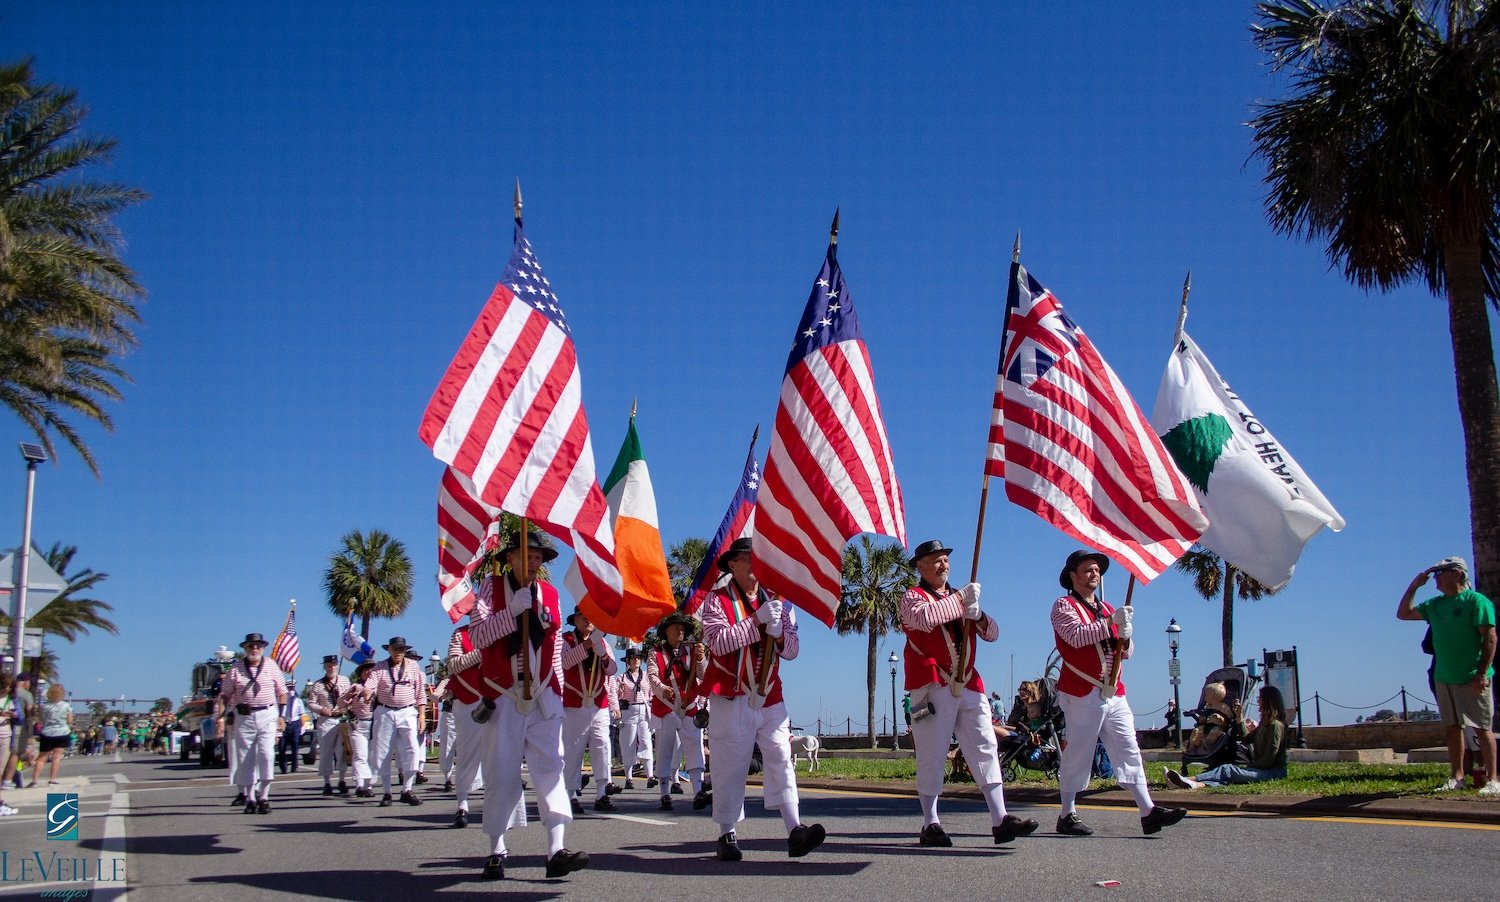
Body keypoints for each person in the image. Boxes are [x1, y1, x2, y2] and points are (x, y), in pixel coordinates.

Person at [468, 531, 588, 881]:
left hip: (542, 694)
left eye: (538, 557)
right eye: (526, 555)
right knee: (501, 772)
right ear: (510, 558)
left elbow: (552, 650)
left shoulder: (550, 593)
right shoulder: (491, 589)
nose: (533, 562)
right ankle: (496, 850)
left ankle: (556, 850)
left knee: (552, 768)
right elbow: (478, 636)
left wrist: (558, 695)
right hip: (503, 693)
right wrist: (511, 613)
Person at [900, 539, 1036, 849]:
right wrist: (962, 600)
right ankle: (930, 822)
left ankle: (1000, 818)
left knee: (985, 746)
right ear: (920, 566)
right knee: (933, 754)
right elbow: (924, 619)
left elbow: (993, 634)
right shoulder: (912, 597)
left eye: (945, 559)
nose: (943, 565)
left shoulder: (962, 599)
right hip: (932, 684)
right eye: (935, 560)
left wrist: (978, 615)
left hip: (970, 684)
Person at [700, 536, 826, 861]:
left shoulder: (780, 602)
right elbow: (718, 643)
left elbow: (794, 650)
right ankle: (727, 833)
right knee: (731, 765)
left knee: (782, 756)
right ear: (733, 564)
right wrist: (756, 622)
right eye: (748, 559)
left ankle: (795, 829)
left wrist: (780, 633)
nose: (756, 565)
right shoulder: (717, 601)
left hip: (770, 694)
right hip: (732, 694)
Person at [1052, 550, 1186, 836]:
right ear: (1073, 576)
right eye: (1088, 569)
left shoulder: (1108, 608)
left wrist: (1125, 633)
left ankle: (1148, 810)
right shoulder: (1063, 606)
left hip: (1114, 691)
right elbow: (1076, 637)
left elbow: (1126, 653)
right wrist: (1112, 623)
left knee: (1128, 748)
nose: (1094, 574)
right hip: (1082, 691)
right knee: (1079, 752)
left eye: (1097, 569)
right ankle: (1067, 813)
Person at [1396, 556, 1497, 794]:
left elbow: (1490, 638)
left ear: (1457, 574)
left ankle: (1494, 779)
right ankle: (1457, 776)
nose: (1436, 579)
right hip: (1444, 675)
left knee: (1483, 728)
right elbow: (1403, 613)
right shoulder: (1435, 604)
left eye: (1441, 573)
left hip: (1472, 675)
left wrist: (1481, 673)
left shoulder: (1476, 601)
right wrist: (1414, 586)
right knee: (1452, 728)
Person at [216, 633, 289, 814]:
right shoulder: (236, 669)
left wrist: (282, 716)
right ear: (245, 649)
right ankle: (249, 797)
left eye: (257, 646)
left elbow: (282, 692)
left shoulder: (272, 666)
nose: (254, 649)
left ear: (263, 648)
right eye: (250, 646)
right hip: (244, 715)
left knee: (266, 754)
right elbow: (224, 695)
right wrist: (220, 718)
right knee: (245, 758)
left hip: (267, 713)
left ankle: (264, 796)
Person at [1167, 686, 1290, 789]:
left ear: (1268, 701)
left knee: (1228, 770)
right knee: (1227, 775)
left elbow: (1268, 760)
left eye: (1260, 698)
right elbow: (1247, 738)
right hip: (1263, 769)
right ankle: (1196, 784)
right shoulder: (1264, 723)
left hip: (1273, 772)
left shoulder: (1275, 726)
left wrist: (1247, 768)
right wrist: (1239, 717)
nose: (1258, 701)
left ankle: (1186, 779)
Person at [561, 607, 619, 813]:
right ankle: (570, 794)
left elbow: (612, 670)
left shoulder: (602, 642)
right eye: (583, 618)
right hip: (574, 702)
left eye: (591, 618)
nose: (588, 622)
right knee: (573, 749)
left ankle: (602, 791)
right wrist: (587, 644)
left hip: (598, 702)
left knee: (602, 745)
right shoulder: (565, 639)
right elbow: (565, 662)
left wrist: (602, 655)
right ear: (575, 620)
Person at [648, 611, 708, 811]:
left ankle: (698, 791)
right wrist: (663, 690)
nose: (680, 631)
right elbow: (652, 677)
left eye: (682, 628)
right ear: (667, 631)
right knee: (665, 749)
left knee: (695, 747)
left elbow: (703, 674)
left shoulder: (692, 651)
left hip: (689, 706)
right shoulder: (655, 652)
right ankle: (664, 793)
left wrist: (700, 659)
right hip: (667, 707)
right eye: (676, 628)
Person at [358, 637, 428, 806]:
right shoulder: (380, 668)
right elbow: (369, 685)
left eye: (401, 649)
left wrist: (422, 715)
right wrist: (367, 694)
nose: (398, 653)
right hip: (385, 711)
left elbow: (420, 693)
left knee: (412, 748)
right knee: (383, 752)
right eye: (395, 649)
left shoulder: (413, 666)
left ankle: (407, 789)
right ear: (389, 650)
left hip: (407, 711)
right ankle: (387, 792)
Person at [308, 655, 351, 795]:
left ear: (337, 665)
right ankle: (327, 782)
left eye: (333, 664)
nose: (331, 667)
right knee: (326, 752)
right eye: (328, 665)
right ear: (324, 667)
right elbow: (310, 703)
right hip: (326, 720)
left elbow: (351, 696)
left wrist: (347, 706)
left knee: (342, 751)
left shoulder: (344, 680)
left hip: (342, 719)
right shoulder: (318, 684)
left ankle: (342, 780)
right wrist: (321, 709)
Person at [611, 647, 654, 789]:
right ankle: (629, 778)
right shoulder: (621, 678)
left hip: (644, 709)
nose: (636, 660)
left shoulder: (647, 676)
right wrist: (616, 710)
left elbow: (652, 694)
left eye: (638, 658)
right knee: (628, 743)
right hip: (629, 710)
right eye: (633, 658)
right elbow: (615, 696)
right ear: (628, 661)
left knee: (646, 741)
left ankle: (650, 776)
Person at [339, 661, 377, 797]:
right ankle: (360, 785)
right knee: (360, 755)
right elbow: (340, 703)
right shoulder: (355, 687)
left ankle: (369, 785)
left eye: (371, 670)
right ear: (361, 673)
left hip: (375, 725)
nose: (369, 672)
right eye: (366, 670)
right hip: (358, 725)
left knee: (373, 757)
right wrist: (349, 695)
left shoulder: (379, 688)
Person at [1, 672, 36, 792]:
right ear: (26, 682)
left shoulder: (12, 694)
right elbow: (28, 711)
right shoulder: (26, 694)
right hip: (17, 727)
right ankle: (7, 780)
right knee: (15, 754)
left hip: (7, 728)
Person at [34, 683, 74, 787]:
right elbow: (69, 721)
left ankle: (34, 780)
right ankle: (52, 780)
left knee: (42, 757)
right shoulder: (66, 706)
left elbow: (41, 719)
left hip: (47, 732)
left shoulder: (44, 706)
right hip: (62, 732)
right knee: (56, 757)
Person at [1184, 682, 1232, 756]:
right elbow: (1204, 717)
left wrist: (1220, 719)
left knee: (1214, 732)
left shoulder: (1223, 707)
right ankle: (1192, 748)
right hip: (1207, 726)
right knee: (1196, 731)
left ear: (1214, 696)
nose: (1205, 697)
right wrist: (1202, 719)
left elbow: (1229, 719)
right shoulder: (1208, 707)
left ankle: (1206, 748)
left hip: (1219, 727)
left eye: (1207, 695)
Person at [277, 680, 306, 774]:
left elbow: (302, 714)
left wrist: (302, 726)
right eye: (289, 688)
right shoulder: (281, 701)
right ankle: (283, 768)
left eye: (292, 688)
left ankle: (295, 767)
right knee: (282, 748)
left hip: (295, 724)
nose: (291, 690)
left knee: (295, 747)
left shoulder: (299, 701)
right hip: (284, 724)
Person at [0, 674, 16, 815]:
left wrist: (13, 715)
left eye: (9, 687)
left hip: (6, 734)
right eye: (4, 686)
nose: (6, 689)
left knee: (1, 769)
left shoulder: (10, 700)